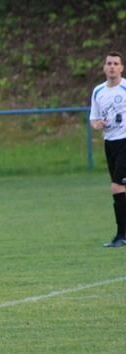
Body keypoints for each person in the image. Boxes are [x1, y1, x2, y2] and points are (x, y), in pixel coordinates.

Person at [90, 51, 126, 248]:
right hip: (109, 143)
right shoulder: (98, 91)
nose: (112, 66)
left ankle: (121, 235)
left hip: (125, 141)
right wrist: (98, 124)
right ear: (104, 68)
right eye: (109, 63)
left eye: (116, 63)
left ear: (121, 68)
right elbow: (94, 120)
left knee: (116, 186)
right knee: (121, 188)